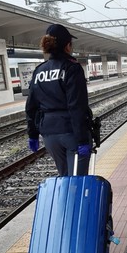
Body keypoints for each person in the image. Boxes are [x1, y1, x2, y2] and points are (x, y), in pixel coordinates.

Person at [25, 23, 93, 176]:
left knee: (64, 177)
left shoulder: (39, 71)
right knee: (77, 181)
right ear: (67, 46)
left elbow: (31, 107)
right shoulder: (71, 68)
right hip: (71, 133)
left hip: (49, 135)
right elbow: (77, 106)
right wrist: (82, 139)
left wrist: (33, 134)